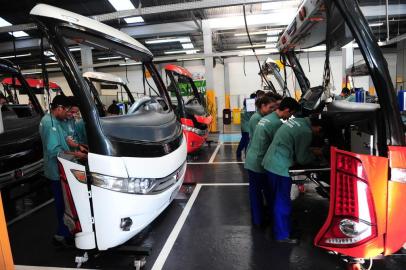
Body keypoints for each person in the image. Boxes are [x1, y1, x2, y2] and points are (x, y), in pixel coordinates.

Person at [262, 116, 323, 244]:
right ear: (317, 127)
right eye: (319, 131)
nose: (317, 133)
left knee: (275, 198)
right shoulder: (306, 132)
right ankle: (282, 234)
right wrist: (316, 156)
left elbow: (293, 142)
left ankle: (278, 227)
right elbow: (302, 159)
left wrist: (309, 150)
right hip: (280, 167)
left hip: (270, 162)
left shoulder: (299, 121)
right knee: (282, 200)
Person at [39, 95, 86, 247]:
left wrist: (77, 146)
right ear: (59, 108)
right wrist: (76, 154)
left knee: (67, 204)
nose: (68, 115)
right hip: (56, 171)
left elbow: (65, 138)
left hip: (63, 168)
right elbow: (54, 151)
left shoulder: (56, 121)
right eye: (67, 112)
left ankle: (67, 232)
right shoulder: (49, 124)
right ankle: (61, 236)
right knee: (62, 204)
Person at [244, 98, 300, 226]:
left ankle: (258, 220)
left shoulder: (267, 118)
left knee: (255, 193)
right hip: (259, 162)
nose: (290, 117)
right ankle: (268, 221)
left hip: (252, 159)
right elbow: (280, 145)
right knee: (269, 193)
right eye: (290, 114)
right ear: (286, 110)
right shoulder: (276, 124)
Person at [236, 96, 255, 160]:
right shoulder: (249, 110)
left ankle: (238, 152)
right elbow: (254, 114)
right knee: (247, 142)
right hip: (247, 128)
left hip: (243, 127)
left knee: (243, 140)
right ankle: (247, 155)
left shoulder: (243, 109)